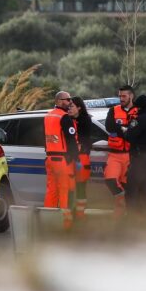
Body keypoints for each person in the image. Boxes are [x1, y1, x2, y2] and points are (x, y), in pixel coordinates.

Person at [44, 91, 80, 230]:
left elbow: (46, 137)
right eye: (67, 99)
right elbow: (71, 140)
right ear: (59, 101)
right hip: (62, 160)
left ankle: (48, 222)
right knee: (64, 190)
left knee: (51, 191)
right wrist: (76, 159)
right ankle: (65, 225)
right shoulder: (64, 117)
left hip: (50, 158)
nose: (69, 102)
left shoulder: (48, 116)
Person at [103, 85, 138, 218]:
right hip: (115, 154)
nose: (121, 98)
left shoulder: (138, 111)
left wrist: (120, 128)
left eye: (124, 96)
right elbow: (109, 126)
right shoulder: (114, 110)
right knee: (110, 179)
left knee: (129, 188)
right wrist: (125, 129)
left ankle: (125, 219)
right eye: (120, 96)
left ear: (131, 96)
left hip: (131, 155)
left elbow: (137, 129)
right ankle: (120, 200)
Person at [69, 97, 92, 220]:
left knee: (80, 186)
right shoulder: (66, 120)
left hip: (81, 157)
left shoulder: (85, 121)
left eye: (71, 106)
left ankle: (80, 214)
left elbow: (86, 141)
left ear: (79, 107)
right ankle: (71, 212)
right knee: (69, 187)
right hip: (68, 157)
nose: (69, 109)